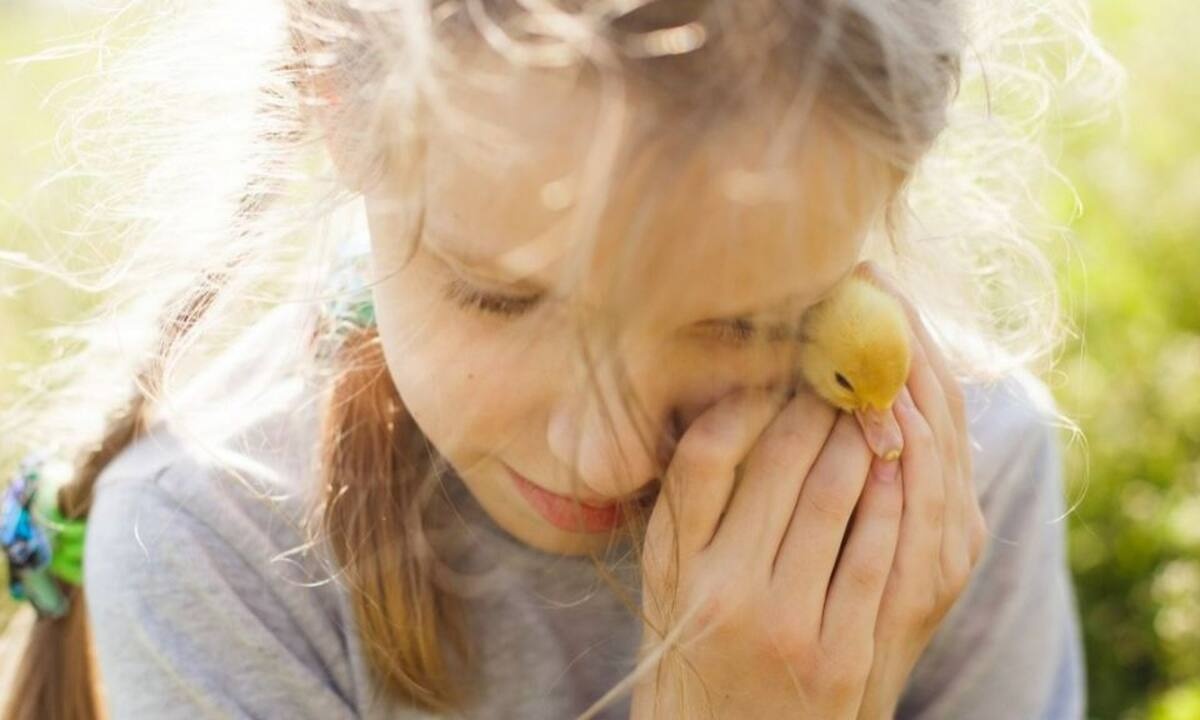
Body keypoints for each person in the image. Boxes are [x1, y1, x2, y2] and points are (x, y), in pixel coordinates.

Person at [0, 0, 1119, 718]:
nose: (605, 451)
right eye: (498, 297)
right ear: (338, 110)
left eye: (747, 321)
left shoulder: (952, 489)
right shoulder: (218, 555)